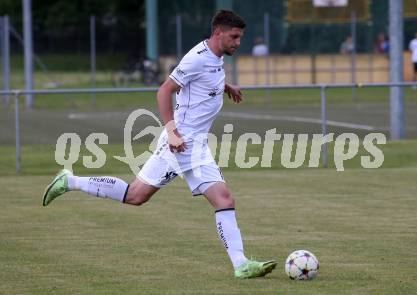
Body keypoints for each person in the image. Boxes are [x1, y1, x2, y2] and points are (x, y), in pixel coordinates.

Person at [42, 10, 277, 279]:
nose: (238, 42)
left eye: (240, 37)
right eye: (234, 37)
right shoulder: (196, 58)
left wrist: (227, 86)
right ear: (218, 33)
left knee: (195, 198)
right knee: (156, 196)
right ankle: (69, 181)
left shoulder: (215, 58)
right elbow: (164, 90)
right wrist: (172, 131)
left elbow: (206, 79)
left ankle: (241, 265)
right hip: (180, 143)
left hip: (195, 145)